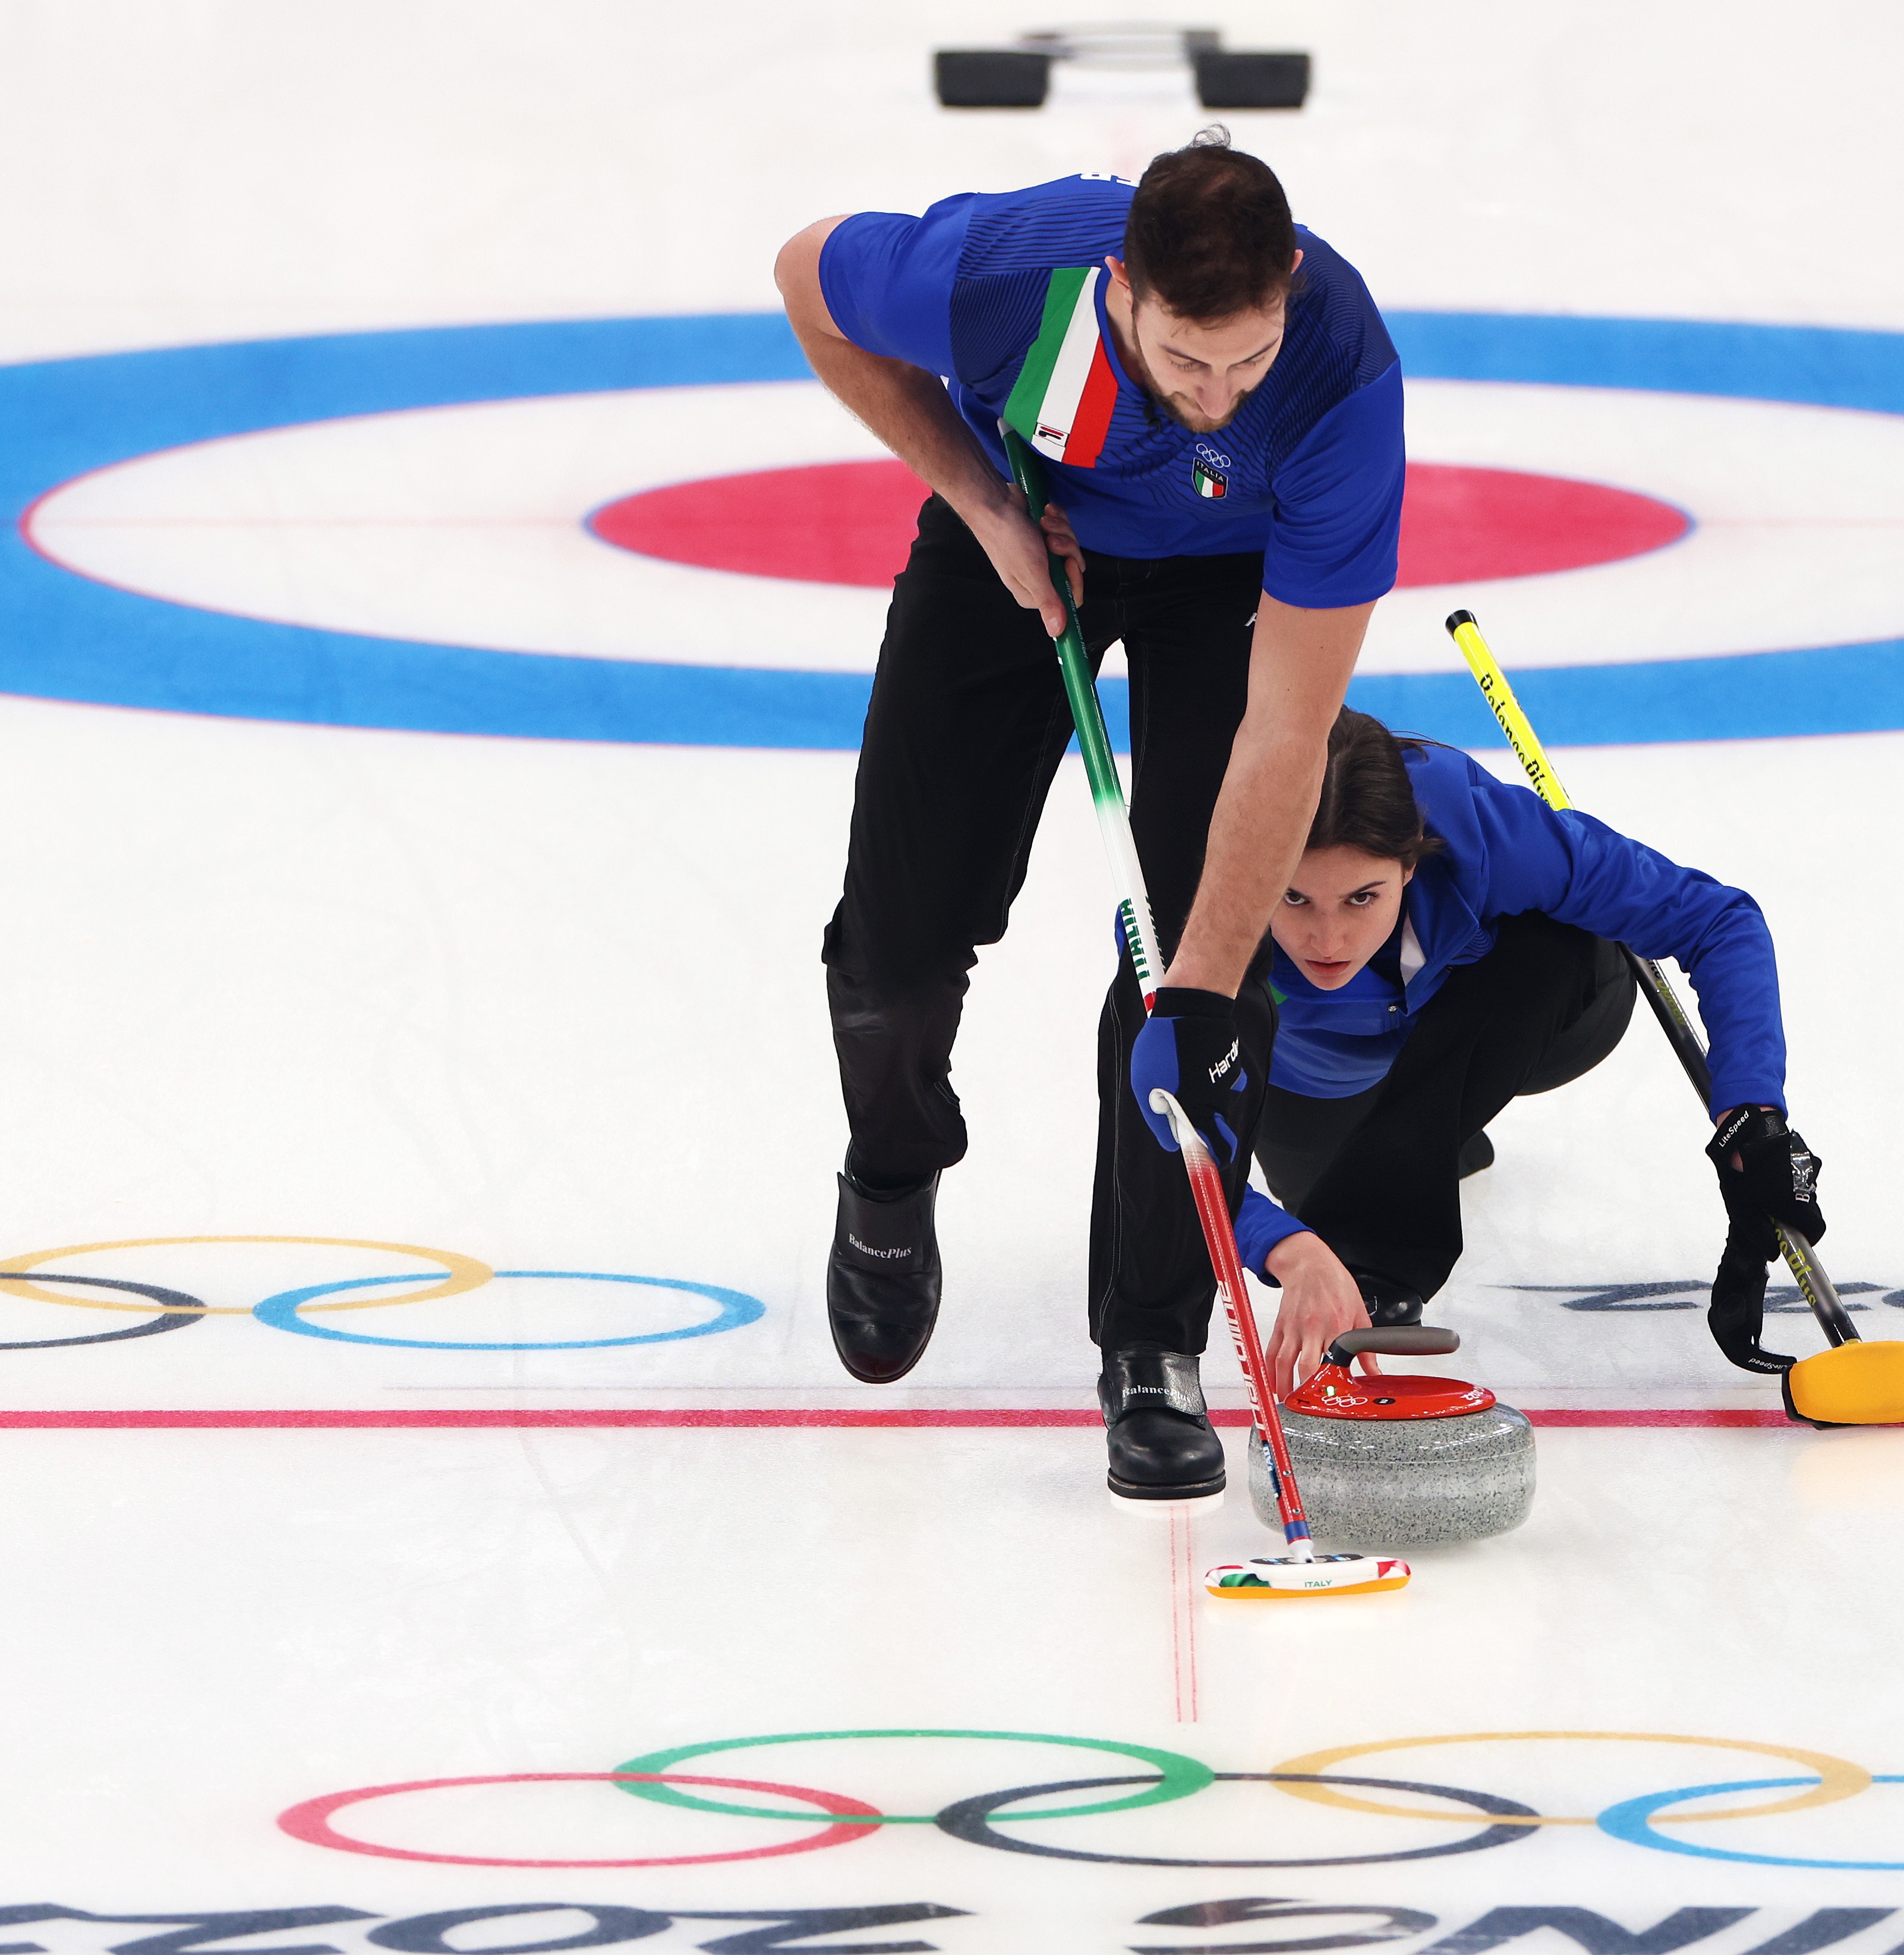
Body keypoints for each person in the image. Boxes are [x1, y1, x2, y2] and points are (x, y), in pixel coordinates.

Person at [772, 131, 1404, 1500]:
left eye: (1246, 359)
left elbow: (1286, 730)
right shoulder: (1002, 282)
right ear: (1121, 287)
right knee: (897, 941)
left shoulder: (1340, 377)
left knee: (1202, 974)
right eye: (1185, 360)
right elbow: (804, 279)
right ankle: (890, 1163)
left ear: (1289, 282)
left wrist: (1201, 991)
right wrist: (978, 498)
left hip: (1225, 579)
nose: (1217, 394)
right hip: (1030, 526)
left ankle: (1152, 1343)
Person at [1228, 710, 1830, 1386]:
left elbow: (1716, 919)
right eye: (1294, 897)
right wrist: (1284, 1244)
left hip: (1532, 1024)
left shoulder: (1483, 830)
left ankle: (1411, 1157)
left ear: (1410, 859)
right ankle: (1422, 1146)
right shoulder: (1192, 899)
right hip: (1315, 1082)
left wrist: (1751, 1111)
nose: (1328, 940)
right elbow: (1160, 1131)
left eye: (1362, 897)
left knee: (1553, 934)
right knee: (1318, 1212)